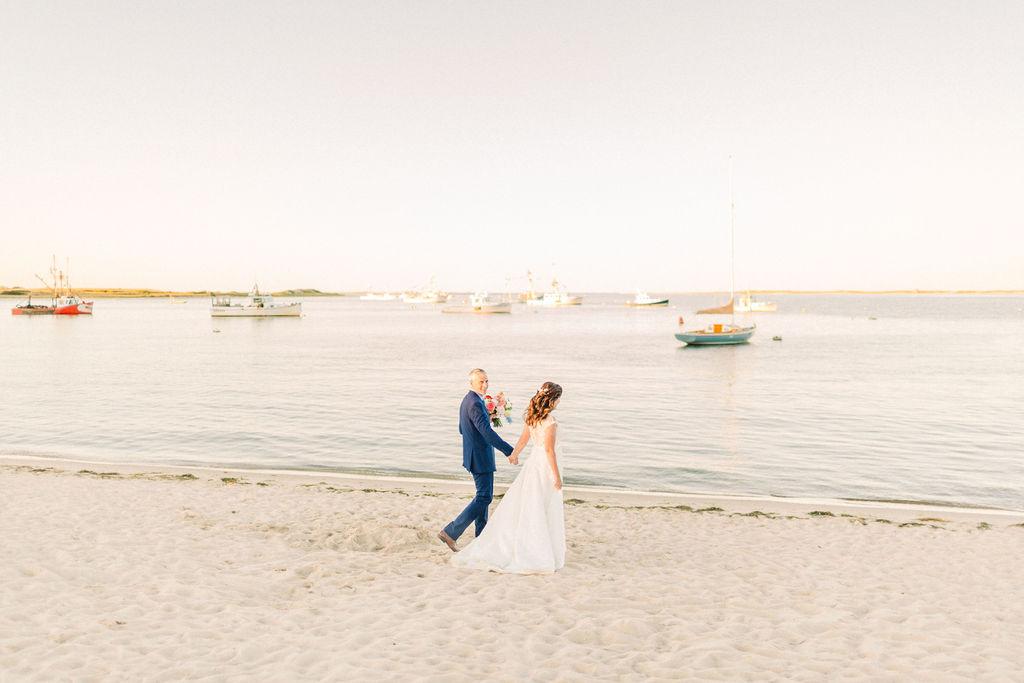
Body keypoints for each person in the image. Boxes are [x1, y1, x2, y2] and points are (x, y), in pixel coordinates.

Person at [451, 381, 566, 574]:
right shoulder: (550, 422)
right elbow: (549, 451)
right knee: (543, 506)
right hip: (544, 467)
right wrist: (556, 476)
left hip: (532, 466)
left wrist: (514, 454)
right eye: (559, 398)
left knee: (530, 504)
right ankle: (538, 549)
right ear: (552, 400)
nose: (559, 401)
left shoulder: (533, 418)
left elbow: (523, 440)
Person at [438, 369, 516, 551]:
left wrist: (487, 418)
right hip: (480, 456)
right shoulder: (474, 403)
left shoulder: (468, 400)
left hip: (474, 454)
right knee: (484, 497)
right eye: (481, 382)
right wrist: (509, 451)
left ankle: (482, 539)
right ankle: (450, 532)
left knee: (484, 497)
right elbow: (487, 433)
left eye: (487, 381)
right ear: (471, 383)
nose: (485, 385)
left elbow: (461, 428)